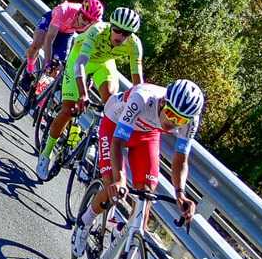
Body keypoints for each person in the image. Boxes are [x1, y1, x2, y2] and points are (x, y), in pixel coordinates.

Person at [85, 74, 205, 233]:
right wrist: (120, 179)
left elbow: (181, 159)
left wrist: (180, 193)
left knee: (146, 193)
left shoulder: (192, 121)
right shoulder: (142, 98)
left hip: (146, 134)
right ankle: (84, 223)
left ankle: (130, 238)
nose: (173, 123)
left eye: (180, 121)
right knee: (112, 184)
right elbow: (118, 141)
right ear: (163, 102)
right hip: (114, 125)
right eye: (170, 114)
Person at [35, 4, 137, 179]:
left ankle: (92, 138)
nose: (120, 36)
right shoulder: (97, 30)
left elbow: (138, 84)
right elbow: (80, 64)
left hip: (104, 64)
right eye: (117, 30)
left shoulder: (135, 46)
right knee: (69, 109)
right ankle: (46, 153)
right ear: (110, 26)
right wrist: (83, 93)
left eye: (126, 33)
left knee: (112, 101)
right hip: (80, 58)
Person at [21, 0, 103, 102]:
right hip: (51, 22)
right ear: (79, 12)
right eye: (85, 18)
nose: (86, 23)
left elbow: (95, 49)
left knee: (55, 67)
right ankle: (29, 70)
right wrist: (47, 63)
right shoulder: (65, 10)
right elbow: (49, 39)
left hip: (67, 34)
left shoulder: (97, 25)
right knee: (37, 44)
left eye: (90, 21)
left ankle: (38, 96)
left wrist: (90, 74)